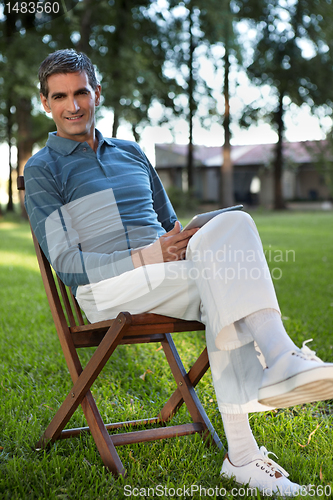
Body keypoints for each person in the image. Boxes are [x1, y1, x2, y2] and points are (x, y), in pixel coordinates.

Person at [24, 49, 333, 496]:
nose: (73, 105)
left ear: (97, 94)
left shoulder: (132, 153)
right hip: (107, 288)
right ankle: (274, 376)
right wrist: (152, 255)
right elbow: (71, 268)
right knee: (224, 279)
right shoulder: (43, 169)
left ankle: (256, 424)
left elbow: (173, 229)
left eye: (81, 92)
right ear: (45, 102)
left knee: (235, 223)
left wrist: (184, 243)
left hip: (170, 275)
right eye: (60, 96)